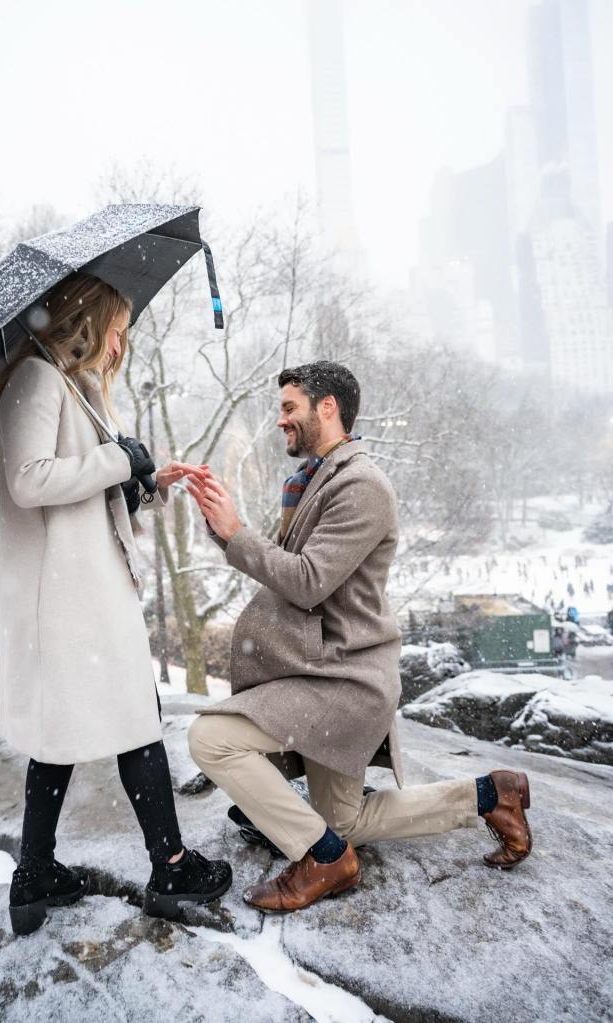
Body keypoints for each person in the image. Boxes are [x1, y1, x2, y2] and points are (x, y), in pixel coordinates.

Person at [186, 361, 533, 913]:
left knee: (211, 739)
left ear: (328, 408)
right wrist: (220, 523)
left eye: (289, 407)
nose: (281, 420)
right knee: (345, 821)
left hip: (342, 680)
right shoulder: (316, 478)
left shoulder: (361, 486)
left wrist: (237, 534)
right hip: (320, 669)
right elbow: (288, 563)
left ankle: (325, 860)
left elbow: (306, 582)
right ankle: (494, 795)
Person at [0, 272, 231, 936]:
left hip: (85, 592)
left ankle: (34, 876)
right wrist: (118, 462)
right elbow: (29, 480)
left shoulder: (74, 386)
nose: (122, 343)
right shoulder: (35, 379)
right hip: (70, 600)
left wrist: (147, 479)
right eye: (119, 326)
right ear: (90, 321)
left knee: (65, 735)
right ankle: (170, 865)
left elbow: (90, 489)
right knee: (136, 722)